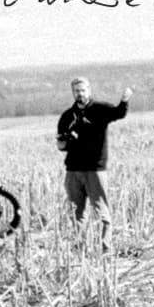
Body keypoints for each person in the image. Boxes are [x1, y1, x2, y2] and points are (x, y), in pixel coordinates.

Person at [56, 77, 132, 251]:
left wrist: (125, 100)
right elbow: (60, 143)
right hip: (73, 169)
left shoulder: (99, 109)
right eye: (76, 91)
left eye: (82, 90)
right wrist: (64, 142)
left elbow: (119, 113)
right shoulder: (67, 116)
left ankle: (105, 249)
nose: (80, 94)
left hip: (95, 169)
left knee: (101, 211)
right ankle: (79, 249)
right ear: (72, 93)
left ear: (89, 90)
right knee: (76, 212)